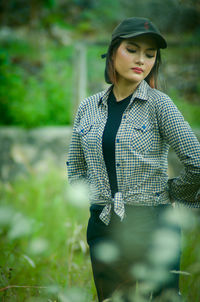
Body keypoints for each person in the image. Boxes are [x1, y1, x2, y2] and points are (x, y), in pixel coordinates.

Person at [67, 17, 200, 301]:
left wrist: (173, 191)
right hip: (103, 225)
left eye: (150, 55)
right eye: (132, 49)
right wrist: (97, 198)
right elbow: (76, 168)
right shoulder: (88, 107)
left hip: (151, 224)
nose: (141, 60)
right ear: (113, 50)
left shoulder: (159, 105)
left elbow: (197, 163)